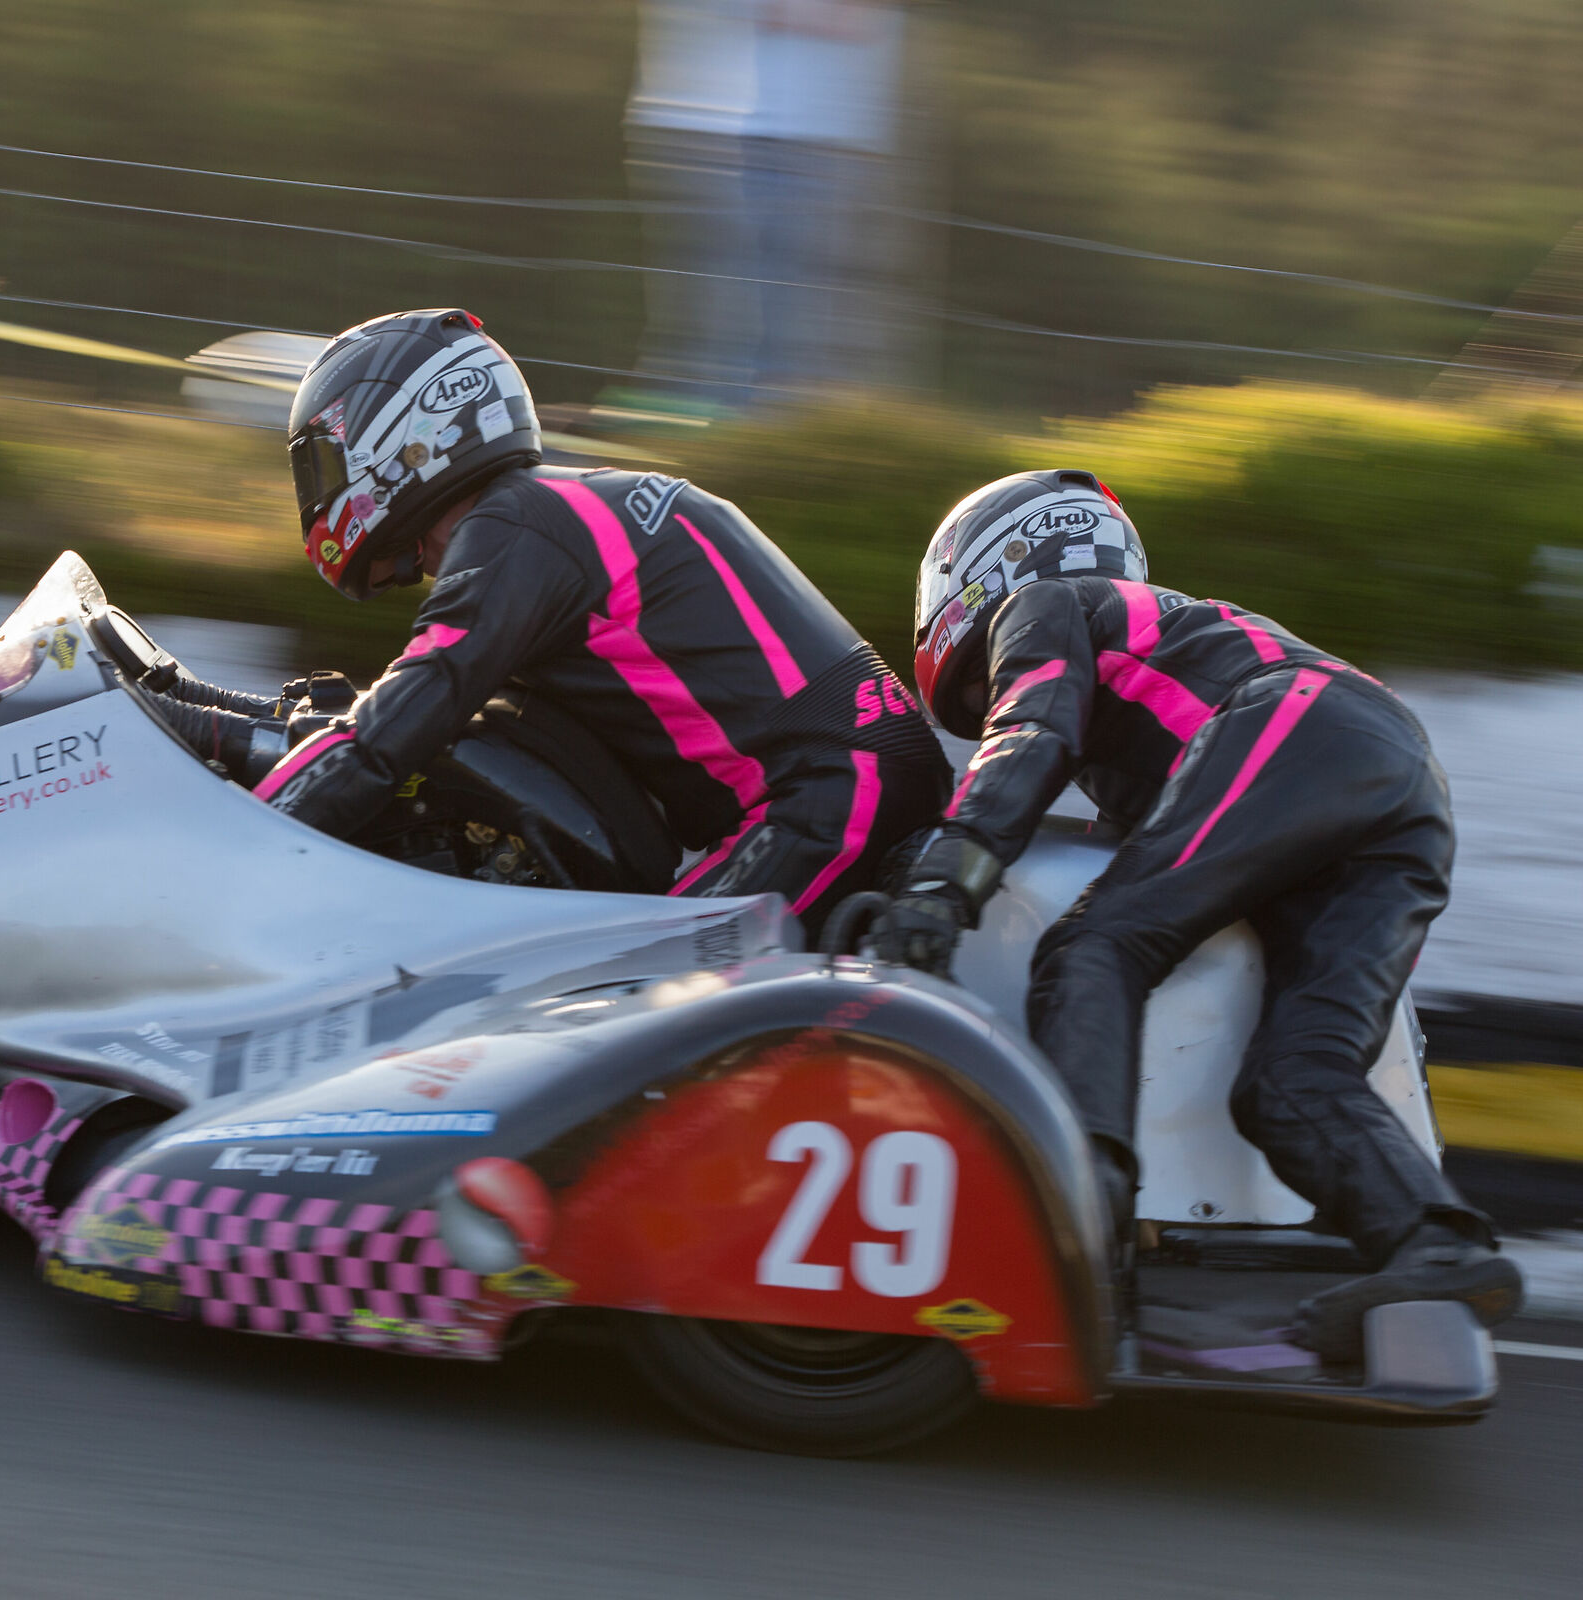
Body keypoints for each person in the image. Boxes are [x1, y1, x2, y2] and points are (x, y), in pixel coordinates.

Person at [869, 468, 1522, 1357]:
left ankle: (1075, 1222)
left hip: (1295, 725)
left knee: (1096, 947)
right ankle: (1439, 1247)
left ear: (984, 569)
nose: (991, 695)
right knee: (1295, 1080)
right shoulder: (1163, 654)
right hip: (1401, 776)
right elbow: (1132, 841)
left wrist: (944, 882)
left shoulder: (1047, 601)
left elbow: (1031, 733)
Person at [166, 307, 947, 932]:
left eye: (326, 463)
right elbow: (417, 720)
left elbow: (385, 736)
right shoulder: (549, 515)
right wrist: (182, 705)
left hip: (833, 794)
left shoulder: (518, 530)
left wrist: (235, 870)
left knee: (630, 1010)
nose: (319, 488)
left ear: (404, 436)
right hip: (845, 778)